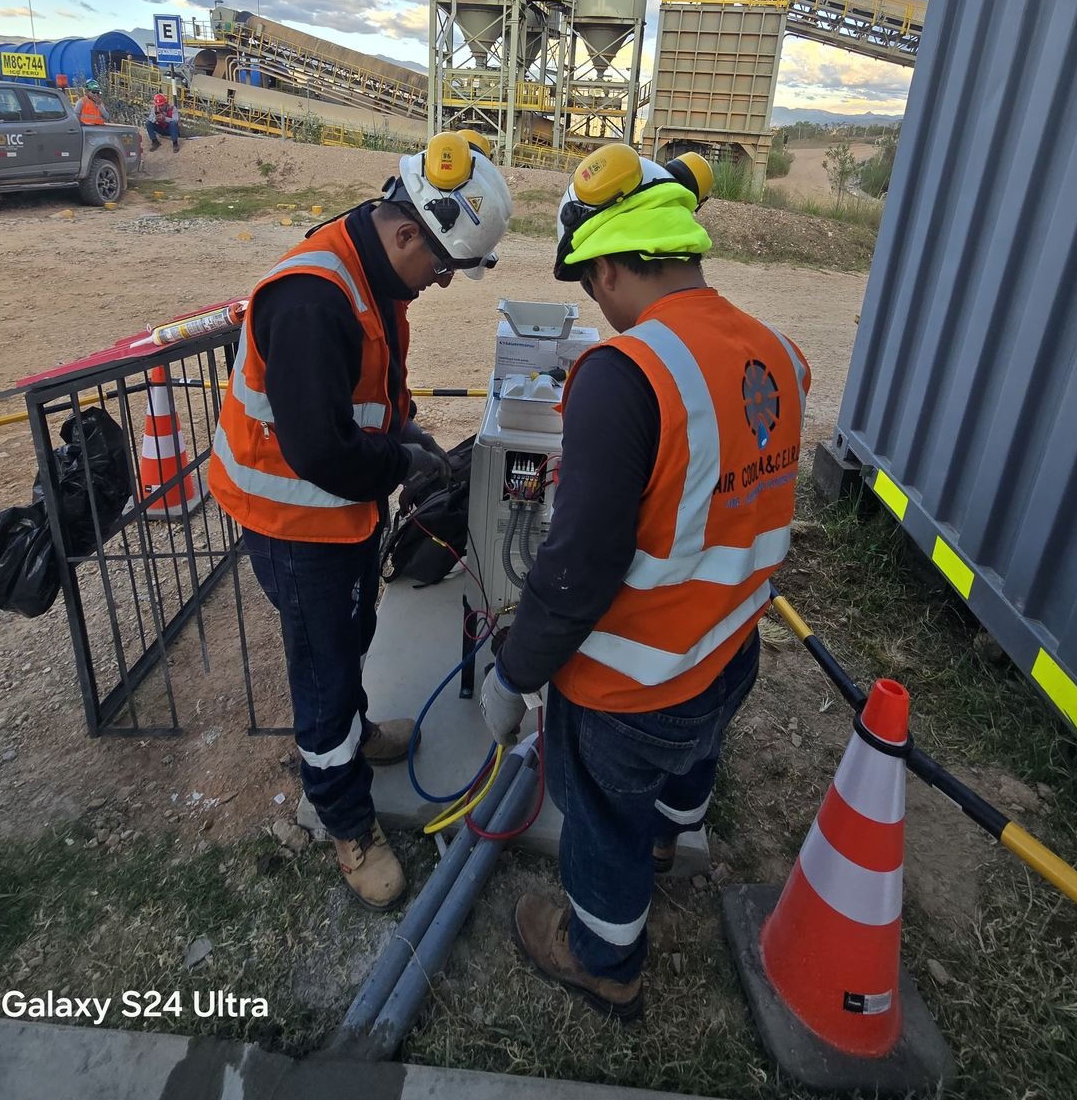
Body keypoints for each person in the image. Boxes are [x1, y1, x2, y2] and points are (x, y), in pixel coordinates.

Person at [480, 144, 810, 1020]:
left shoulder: (624, 377)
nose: (597, 303)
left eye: (594, 282)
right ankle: (671, 840)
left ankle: (602, 957)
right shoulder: (778, 352)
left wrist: (514, 673)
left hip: (635, 685)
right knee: (684, 771)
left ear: (619, 265)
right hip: (729, 648)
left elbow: (577, 568)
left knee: (601, 821)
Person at [208, 133, 512, 910]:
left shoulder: (375, 267)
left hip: (336, 517)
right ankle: (346, 821)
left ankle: (360, 730)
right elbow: (320, 452)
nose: (443, 282)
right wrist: (400, 467)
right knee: (323, 667)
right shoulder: (313, 301)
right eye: (443, 266)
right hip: (294, 520)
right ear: (407, 231)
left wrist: (405, 431)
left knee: (353, 634)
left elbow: (374, 384)